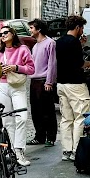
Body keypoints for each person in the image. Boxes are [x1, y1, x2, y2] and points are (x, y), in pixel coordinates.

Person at [56, 15, 90, 161]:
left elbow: (66, 58)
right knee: (80, 117)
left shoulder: (59, 42)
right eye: (82, 27)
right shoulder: (74, 43)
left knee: (66, 118)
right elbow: (79, 63)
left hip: (61, 83)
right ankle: (76, 150)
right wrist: (89, 64)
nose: (82, 30)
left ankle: (66, 150)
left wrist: (81, 44)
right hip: (76, 84)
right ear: (77, 27)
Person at [0, 26, 35, 166]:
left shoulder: (23, 49)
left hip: (18, 86)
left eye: (6, 32)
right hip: (2, 86)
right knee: (7, 121)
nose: (3, 35)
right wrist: (0, 70)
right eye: (1, 34)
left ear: (13, 33)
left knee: (22, 118)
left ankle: (19, 150)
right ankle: (13, 151)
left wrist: (15, 67)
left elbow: (31, 69)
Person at [28, 19, 58, 147]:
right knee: (36, 110)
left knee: (48, 110)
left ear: (38, 29)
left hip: (44, 81)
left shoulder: (50, 43)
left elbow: (52, 63)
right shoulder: (35, 46)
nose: (30, 30)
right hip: (34, 80)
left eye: (31, 28)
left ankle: (50, 137)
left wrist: (49, 82)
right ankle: (39, 135)